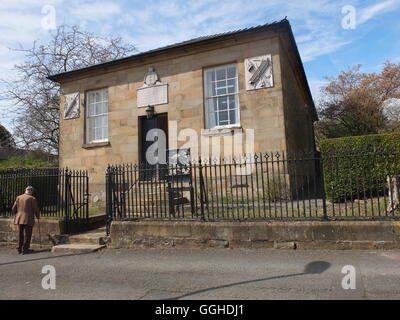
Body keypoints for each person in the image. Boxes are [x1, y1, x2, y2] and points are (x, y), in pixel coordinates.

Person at [11, 186, 40, 254]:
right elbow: (35, 209)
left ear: (25, 190)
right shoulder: (32, 198)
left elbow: (13, 208)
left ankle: (19, 248)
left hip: (19, 218)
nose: (31, 192)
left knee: (20, 234)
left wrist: (16, 213)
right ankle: (25, 249)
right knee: (28, 234)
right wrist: (38, 216)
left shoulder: (19, 197)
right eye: (31, 191)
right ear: (31, 191)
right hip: (28, 218)